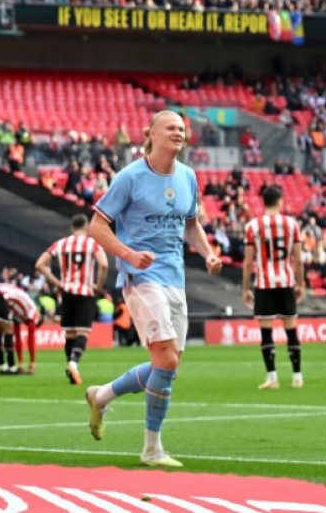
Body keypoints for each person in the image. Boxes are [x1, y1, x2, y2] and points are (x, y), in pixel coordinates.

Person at [85, 110, 222, 468]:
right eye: (171, 127)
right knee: (166, 357)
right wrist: (129, 254)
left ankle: (101, 395)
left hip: (174, 277)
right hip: (140, 278)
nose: (179, 132)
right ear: (151, 134)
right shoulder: (129, 177)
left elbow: (190, 224)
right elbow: (96, 228)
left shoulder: (188, 177)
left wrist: (207, 254)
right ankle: (151, 449)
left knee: (168, 363)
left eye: (182, 128)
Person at [242, 185, 304, 390]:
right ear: (279, 201)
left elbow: (249, 262)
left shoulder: (253, 226)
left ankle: (272, 377)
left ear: (263, 202)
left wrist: (245, 289)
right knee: (291, 329)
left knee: (266, 331)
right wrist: (301, 283)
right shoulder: (291, 224)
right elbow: (298, 259)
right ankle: (297, 377)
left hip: (264, 283)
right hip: (286, 281)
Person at [35, 213, 108, 385]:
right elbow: (104, 264)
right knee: (83, 333)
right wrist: (98, 286)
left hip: (66, 292)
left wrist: (57, 282)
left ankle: (71, 371)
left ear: (72, 228)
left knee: (69, 333)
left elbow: (40, 264)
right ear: (87, 228)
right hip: (84, 291)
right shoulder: (92, 243)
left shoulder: (60, 244)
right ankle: (73, 363)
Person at [0, 282, 42, 375]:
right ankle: (12, 368)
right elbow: (30, 339)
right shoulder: (32, 314)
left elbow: (19, 335)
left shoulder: (22, 309)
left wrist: (21, 363)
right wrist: (32, 363)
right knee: (8, 331)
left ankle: (3, 368)